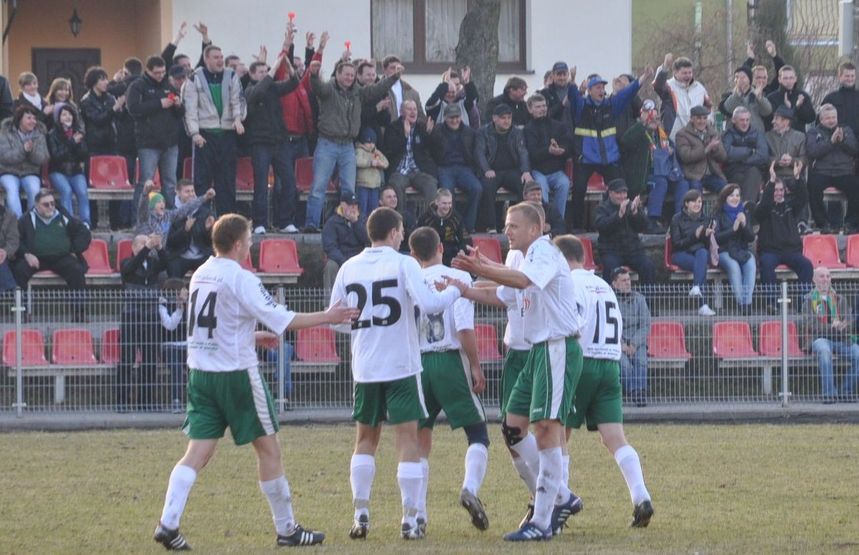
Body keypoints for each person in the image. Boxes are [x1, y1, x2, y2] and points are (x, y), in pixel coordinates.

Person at [153, 213, 358, 550]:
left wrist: (250, 334)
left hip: (201, 374)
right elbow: (285, 319)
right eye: (249, 240)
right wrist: (329, 315)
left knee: (196, 453)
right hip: (236, 376)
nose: (251, 245)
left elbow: (214, 323)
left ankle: (168, 523)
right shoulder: (241, 277)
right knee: (269, 450)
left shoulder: (202, 272)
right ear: (237, 244)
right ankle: (287, 529)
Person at [450, 202, 584, 541]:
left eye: (513, 225)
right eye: (506, 225)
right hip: (537, 350)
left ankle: (542, 521)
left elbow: (522, 282)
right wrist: (466, 288)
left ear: (535, 229)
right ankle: (563, 496)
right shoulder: (527, 257)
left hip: (556, 347)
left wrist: (482, 266)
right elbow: (506, 294)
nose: (507, 230)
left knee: (546, 429)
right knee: (513, 428)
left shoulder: (544, 253)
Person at [328, 207, 462, 541]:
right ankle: (410, 518)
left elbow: (335, 318)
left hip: (366, 366)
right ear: (392, 233)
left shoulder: (348, 266)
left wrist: (363, 332)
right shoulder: (404, 263)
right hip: (401, 364)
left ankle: (360, 515)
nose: (404, 236)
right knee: (407, 441)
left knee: (365, 441)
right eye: (401, 230)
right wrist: (456, 290)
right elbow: (430, 304)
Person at [555, 235, 654, 527]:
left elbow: (573, 322)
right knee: (615, 438)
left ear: (562, 259)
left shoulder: (570, 284)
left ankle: (558, 509)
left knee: (560, 435)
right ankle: (641, 496)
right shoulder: (604, 286)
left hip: (582, 363)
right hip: (610, 366)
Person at [408, 226, 490, 533]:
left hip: (417, 363)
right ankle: (469, 487)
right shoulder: (458, 279)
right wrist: (475, 366)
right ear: (441, 247)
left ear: (413, 254)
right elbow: (464, 327)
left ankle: (418, 516)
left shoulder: (411, 279)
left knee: (419, 440)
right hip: (448, 358)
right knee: (478, 433)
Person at [304, 58, 402, 232]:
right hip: (327, 143)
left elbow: (377, 89)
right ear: (338, 74)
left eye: (352, 75)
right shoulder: (329, 89)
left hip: (348, 145)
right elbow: (317, 86)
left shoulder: (358, 92)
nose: (350, 78)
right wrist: (313, 74)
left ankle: (348, 224)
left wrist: (393, 77)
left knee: (349, 189)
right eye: (346, 74)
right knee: (319, 186)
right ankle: (311, 223)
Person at [569, 66, 653, 231]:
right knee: (578, 191)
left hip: (608, 158)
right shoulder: (581, 107)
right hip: (586, 158)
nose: (602, 90)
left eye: (603, 87)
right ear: (590, 90)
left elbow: (627, 93)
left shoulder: (611, 105)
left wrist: (643, 78)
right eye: (598, 87)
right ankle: (577, 227)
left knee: (620, 188)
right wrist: (572, 81)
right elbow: (573, 97)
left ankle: (624, 220)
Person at [183, 45, 246, 216]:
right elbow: (190, 108)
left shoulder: (231, 76)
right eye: (215, 57)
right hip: (205, 134)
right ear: (207, 59)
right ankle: (201, 221)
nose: (220, 60)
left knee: (226, 182)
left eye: (221, 56)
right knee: (202, 182)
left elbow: (237, 100)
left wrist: (238, 119)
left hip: (226, 134)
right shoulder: (194, 77)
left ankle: (227, 221)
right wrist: (194, 133)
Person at [244, 52, 300, 234]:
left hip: (280, 141)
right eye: (260, 71)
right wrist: (273, 69)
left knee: (289, 181)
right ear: (252, 75)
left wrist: (289, 67)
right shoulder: (249, 90)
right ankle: (259, 222)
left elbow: (293, 83)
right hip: (260, 143)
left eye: (265, 71)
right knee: (261, 184)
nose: (264, 74)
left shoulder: (274, 88)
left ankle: (285, 221)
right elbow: (259, 90)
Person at [11, 189, 90, 319]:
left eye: (52, 203)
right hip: (36, 258)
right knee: (19, 270)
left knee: (76, 270)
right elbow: (16, 239)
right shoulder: (26, 219)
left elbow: (83, 232)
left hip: (62, 257)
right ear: (37, 205)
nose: (51, 207)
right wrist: (26, 254)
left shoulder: (63, 215)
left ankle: (79, 312)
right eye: (46, 204)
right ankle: (21, 312)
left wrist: (75, 250)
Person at [127, 55, 184, 211]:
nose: (160, 76)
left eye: (163, 72)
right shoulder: (138, 86)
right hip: (148, 143)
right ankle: (140, 218)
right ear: (148, 71)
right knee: (146, 182)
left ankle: (170, 217)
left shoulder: (168, 85)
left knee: (170, 182)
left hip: (170, 143)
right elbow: (133, 109)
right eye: (157, 73)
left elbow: (180, 114)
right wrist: (159, 104)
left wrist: (178, 105)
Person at [118, 233, 167, 411]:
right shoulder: (126, 263)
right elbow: (131, 268)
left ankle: (146, 402)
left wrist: (159, 247)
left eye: (146, 242)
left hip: (151, 316)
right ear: (133, 247)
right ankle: (122, 402)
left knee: (149, 360)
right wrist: (147, 247)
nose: (145, 245)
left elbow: (167, 264)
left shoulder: (153, 264)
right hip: (132, 316)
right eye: (140, 243)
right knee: (127, 359)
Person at [754, 169, 814, 313]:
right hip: (770, 251)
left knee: (806, 265)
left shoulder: (790, 206)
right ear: (769, 190)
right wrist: (771, 185)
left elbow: (803, 198)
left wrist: (798, 179)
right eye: (775, 190)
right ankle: (772, 304)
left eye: (781, 190)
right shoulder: (763, 208)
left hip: (791, 251)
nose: (779, 193)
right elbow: (764, 207)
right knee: (766, 265)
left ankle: (803, 305)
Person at [620, 98, 683, 230]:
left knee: (682, 182)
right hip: (644, 177)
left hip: (664, 173)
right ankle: (652, 220)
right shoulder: (639, 130)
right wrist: (643, 124)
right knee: (660, 182)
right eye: (651, 118)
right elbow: (625, 142)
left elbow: (671, 152)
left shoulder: (661, 135)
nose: (654, 121)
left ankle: (681, 219)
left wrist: (670, 151)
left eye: (656, 118)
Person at [802, 267, 859, 404]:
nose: (825, 279)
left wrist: (844, 325)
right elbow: (812, 326)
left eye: (828, 276)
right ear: (814, 280)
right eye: (821, 276)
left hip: (841, 339)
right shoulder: (808, 301)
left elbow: (850, 320)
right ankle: (829, 394)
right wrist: (833, 327)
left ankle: (845, 392)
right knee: (824, 351)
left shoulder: (840, 299)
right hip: (819, 339)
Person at [476, 103, 531, 232]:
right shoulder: (483, 132)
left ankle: (518, 223)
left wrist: (525, 171)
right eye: (503, 118)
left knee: (524, 185)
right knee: (487, 187)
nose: (507, 121)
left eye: (509, 118)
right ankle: (491, 225)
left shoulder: (517, 132)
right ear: (495, 118)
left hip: (511, 170)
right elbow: (479, 153)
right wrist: (486, 169)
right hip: (492, 171)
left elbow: (523, 152)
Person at [805, 103, 859, 234]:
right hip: (822, 171)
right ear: (821, 119)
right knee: (813, 186)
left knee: (856, 186)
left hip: (844, 171)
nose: (831, 120)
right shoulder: (814, 132)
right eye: (828, 118)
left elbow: (855, 150)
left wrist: (843, 141)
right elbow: (812, 151)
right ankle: (822, 223)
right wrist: (831, 142)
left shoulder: (846, 130)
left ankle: (851, 223)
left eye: (834, 117)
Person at [428, 103, 482, 233]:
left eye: (457, 117)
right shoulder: (437, 130)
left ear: (461, 117)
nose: (454, 120)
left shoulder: (469, 131)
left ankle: (467, 226)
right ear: (445, 117)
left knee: (477, 188)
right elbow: (429, 150)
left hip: (464, 168)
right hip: (444, 168)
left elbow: (475, 152)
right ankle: (451, 225)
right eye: (451, 117)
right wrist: (429, 134)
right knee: (447, 193)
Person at [594, 178, 656, 284]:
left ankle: (647, 299)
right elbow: (602, 227)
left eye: (624, 193)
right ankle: (610, 298)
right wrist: (618, 215)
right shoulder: (602, 208)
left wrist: (636, 212)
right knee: (610, 267)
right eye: (618, 193)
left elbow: (644, 226)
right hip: (611, 251)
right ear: (610, 193)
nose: (622, 196)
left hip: (633, 250)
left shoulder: (631, 205)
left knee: (648, 266)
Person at [524, 93, 572, 226]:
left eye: (544, 106)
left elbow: (568, 145)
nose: (542, 109)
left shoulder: (558, 126)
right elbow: (532, 153)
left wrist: (561, 149)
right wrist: (548, 151)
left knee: (564, 183)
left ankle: (558, 222)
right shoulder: (528, 129)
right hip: (538, 171)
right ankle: (542, 221)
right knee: (540, 188)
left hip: (557, 170)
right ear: (530, 109)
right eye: (538, 107)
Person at [382, 99, 438, 212]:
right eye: (409, 109)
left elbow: (431, 150)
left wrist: (429, 134)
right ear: (402, 112)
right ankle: (400, 223)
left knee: (431, 184)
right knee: (396, 184)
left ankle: (428, 222)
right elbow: (390, 149)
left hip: (417, 171)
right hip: (399, 171)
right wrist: (405, 135)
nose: (413, 112)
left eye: (415, 109)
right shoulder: (393, 127)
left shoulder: (421, 127)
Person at [670, 190, 717, 316]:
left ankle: (696, 287)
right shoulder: (676, 218)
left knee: (702, 252)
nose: (698, 204)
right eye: (694, 201)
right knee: (700, 266)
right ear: (686, 203)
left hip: (699, 253)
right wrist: (695, 236)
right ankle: (703, 305)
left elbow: (706, 246)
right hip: (681, 253)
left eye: (700, 201)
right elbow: (676, 244)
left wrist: (706, 236)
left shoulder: (706, 219)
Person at [713, 184, 756, 313]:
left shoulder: (744, 212)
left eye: (737, 195)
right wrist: (733, 229)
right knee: (734, 266)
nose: (735, 198)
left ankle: (747, 304)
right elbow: (716, 238)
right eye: (732, 195)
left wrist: (744, 225)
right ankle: (740, 303)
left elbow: (750, 238)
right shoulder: (718, 214)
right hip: (724, 251)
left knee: (751, 264)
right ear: (725, 197)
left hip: (741, 250)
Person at [611, 267, 651, 406]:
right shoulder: (611, 301)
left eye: (628, 280)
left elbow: (645, 325)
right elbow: (611, 326)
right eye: (623, 281)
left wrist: (634, 343)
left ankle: (638, 393)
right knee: (625, 365)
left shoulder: (640, 299)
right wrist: (621, 344)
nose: (627, 283)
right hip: (618, 343)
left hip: (637, 343)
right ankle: (636, 392)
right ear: (614, 284)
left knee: (641, 360)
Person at [0, 105, 49, 217]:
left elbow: (43, 158)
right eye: (29, 118)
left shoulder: (39, 134)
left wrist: (31, 152)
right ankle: (18, 224)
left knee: (34, 191)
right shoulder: (6, 132)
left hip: (30, 172)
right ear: (20, 119)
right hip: (9, 172)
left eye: (34, 118)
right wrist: (23, 150)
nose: (33, 121)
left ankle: (31, 222)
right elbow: (4, 156)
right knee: (12, 190)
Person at [47, 104, 90, 227]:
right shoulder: (52, 134)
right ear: (58, 117)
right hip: (58, 171)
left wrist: (79, 144)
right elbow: (56, 156)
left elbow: (84, 155)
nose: (68, 117)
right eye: (64, 114)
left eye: (70, 114)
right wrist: (72, 142)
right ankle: (68, 222)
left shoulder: (78, 133)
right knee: (66, 191)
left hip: (75, 171)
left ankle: (86, 223)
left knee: (82, 192)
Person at [654, 54, 710, 140]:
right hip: (674, 136)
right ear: (675, 73)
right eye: (684, 73)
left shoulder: (699, 88)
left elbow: (708, 107)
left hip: (696, 137)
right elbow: (658, 85)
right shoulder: (669, 86)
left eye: (690, 72)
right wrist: (665, 66)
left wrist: (708, 123)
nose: (688, 76)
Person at [322, 191, 369, 290]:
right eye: (350, 205)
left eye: (355, 205)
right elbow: (330, 247)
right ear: (342, 205)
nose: (353, 208)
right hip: (340, 258)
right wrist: (344, 262)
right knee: (330, 266)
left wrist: (356, 223)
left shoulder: (364, 220)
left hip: (359, 258)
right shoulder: (332, 222)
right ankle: (330, 303)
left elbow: (368, 240)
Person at [675, 105, 727, 195]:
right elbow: (686, 156)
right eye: (699, 118)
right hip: (693, 175)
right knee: (696, 193)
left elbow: (723, 157)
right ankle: (697, 209)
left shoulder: (713, 133)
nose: (702, 121)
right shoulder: (682, 134)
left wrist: (715, 150)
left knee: (726, 189)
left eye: (705, 118)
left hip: (712, 174)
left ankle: (721, 209)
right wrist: (706, 149)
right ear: (691, 119)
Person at [722, 106, 769, 202]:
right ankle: (748, 209)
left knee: (753, 174)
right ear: (734, 120)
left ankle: (745, 208)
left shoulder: (757, 134)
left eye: (747, 120)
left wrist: (742, 160)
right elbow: (727, 153)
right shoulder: (728, 134)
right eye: (742, 120)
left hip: (753, 167)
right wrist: (749, 151)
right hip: (734, 170)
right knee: (740, 179)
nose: (745, 123)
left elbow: (763, 155)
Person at [136, 180, 215, 236]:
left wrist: (204, 197)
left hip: (160, 255)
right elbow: (143, 206)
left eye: (163, 201)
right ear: (152, 206)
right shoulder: (145, 217)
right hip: (145, 255)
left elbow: (185, 209)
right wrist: (145, 193)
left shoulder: (168, 215)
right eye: (158, 202)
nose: (162, 204)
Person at [165, 189, 214, 278]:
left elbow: (210, 242)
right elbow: (170, 242)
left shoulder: (205, 212)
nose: (191, 194)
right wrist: (185, 230)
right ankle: (175, 291)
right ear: (178, 193)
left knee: (212, 265)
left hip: (201, 255)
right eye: (187, 191)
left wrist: (207, 230)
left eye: (192, 191)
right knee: (172, 265)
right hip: (180, 255)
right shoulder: (173, 213)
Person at [158, 277, 189, 413]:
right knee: (176, 367)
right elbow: (169, 325)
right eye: (183, 290)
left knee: (196, 367)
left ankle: (197, 400)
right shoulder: (163, 305)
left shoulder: (192, 304)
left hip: (187, 345)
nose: (187, 292)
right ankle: (176, 400)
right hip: (169, 346)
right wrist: (179, 310)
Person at [417, 188, 469, 266]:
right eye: (444, 203)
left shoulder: (456, 218)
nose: (447, 206)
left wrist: (462, 250)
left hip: (450, 255)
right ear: (437, 202)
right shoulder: (425, 218)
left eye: (449, 203)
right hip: (430, 254)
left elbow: (466, 239)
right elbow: (417, 238)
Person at [718, 66, 772, 134]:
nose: (740, 80)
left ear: (750, 79)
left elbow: (767, 111)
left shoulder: (758, 95)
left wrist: (760, 98)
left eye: (743, 77)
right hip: (735, 138)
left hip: (756, 136)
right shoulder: (729, 95)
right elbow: (727, 109)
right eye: (737, 77)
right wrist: (737, 95)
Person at [766, 66, 816, 133]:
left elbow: (811, 118)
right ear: (779, 79)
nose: (788, 81)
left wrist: (800, 108)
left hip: (798, 138)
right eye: (785, 78)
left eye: (791, 78)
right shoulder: (771, 98)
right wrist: (793, 108)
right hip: (777, 138)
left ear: (795, 79)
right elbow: (771, 120)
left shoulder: (803, 96)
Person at [354, 128, 389, 217]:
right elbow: (358, 161)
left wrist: (380, 164)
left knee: (374, 210)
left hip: (375, 186)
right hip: (363, 185)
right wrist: (370, 162)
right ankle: (361, 227)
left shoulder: (376, 152)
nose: (371, 145)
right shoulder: (359, 150)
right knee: (362, 209)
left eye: (373, 143)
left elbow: (386, 163)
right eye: (368, 142)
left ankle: (373, 226)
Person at [822, 62, 859, 139]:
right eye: (847, 76)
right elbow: (821, 123)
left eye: (852, 76)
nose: (850, 79)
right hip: (837, 143)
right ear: (839, 77)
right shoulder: (830, 98)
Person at [382, 55, 424, 121]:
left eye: (398, 68)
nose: (396, 71)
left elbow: (420, 116)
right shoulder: (379, 91)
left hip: (406, 129)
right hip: (387, 129)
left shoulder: (412, 92)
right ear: (385, 70)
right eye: (392, 68)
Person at [379, 185, 415, 253]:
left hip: (403, 252)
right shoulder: (377, 218)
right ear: (381, 201)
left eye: (394, 196)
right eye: (389, 197)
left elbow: (413, 236)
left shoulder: (406, 215)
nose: (393, 199)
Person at [0, 187, 19, 291]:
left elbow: (13, 240)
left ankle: (9, 298)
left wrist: (5, 251)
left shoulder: (10, 216)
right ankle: (13, 297)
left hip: (4, 256)